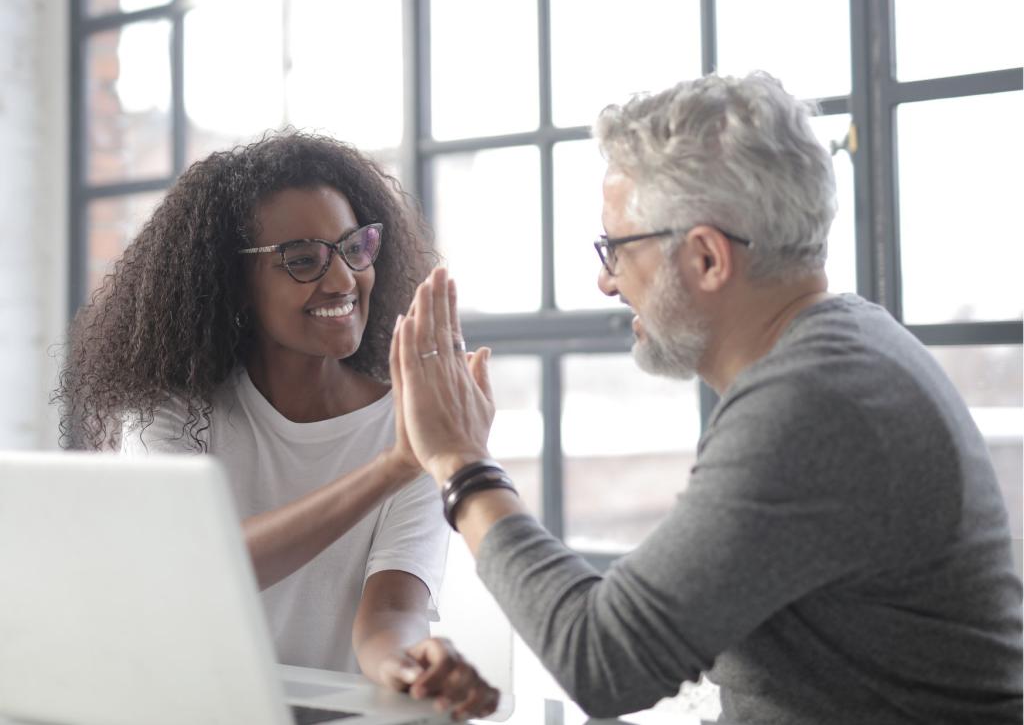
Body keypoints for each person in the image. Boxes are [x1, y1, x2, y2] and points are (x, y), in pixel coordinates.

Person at [389, 73, 1024, 724]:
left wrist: (463, 465)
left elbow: (602, 660)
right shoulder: (848, 348)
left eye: (617, 247)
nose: (606, 281)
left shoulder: (810, 404)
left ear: (707, 258)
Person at [55, 132, 497, 719]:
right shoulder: (171, 412)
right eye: (303, 259)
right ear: (233, 284)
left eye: (353, 248)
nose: (342, 280)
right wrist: (394, 466)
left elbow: (391, 612)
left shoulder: (407, 423)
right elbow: (202, 565)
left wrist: (413, 663)